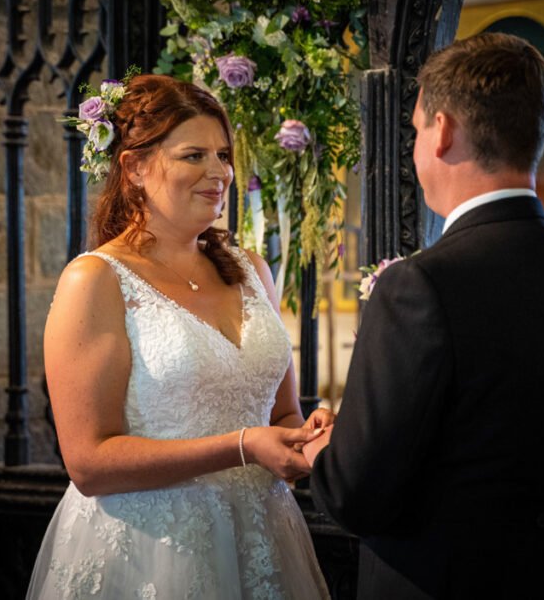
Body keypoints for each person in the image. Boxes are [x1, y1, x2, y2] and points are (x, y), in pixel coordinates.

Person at [306, 33, 544, 599]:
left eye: (418, 128)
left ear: (443, 130)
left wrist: (324, 449)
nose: (417, 145)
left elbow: (357, 494)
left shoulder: (420, 286)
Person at [26, 74, 332, 599]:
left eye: (223, 154)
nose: (219, 172)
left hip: (261, 537)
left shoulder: (251, 269)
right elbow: (89, 464)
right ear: (135, 167)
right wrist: (242, 445)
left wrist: (307, 436)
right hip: (153, 550)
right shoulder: (96, 280)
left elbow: (280, 415)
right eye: (194, 155)